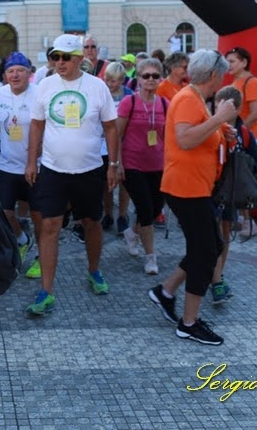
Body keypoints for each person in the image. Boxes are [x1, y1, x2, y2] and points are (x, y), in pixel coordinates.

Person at [148, 49, 237, 346]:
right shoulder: (188, 98)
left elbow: (196, 134)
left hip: (194, 186)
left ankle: (165, 292)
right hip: (185, 188)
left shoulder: (195, 98)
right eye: (221, 74)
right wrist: (220, 119)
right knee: (205, 252)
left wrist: (223, 129)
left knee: (212, 245)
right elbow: (185, 139)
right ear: (214, 75)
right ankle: (189, 322)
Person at [25, 34, 119, 315]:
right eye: (55, 57)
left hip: (90, 169)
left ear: (80, 58)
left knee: (91, 222)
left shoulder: (97, 87)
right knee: (50, 225)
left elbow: (111, 127)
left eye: (66, 57)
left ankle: (94, 270)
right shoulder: (44, 85)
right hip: (53, 169)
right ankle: (46, 290)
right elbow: (36, 126)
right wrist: (32, 162)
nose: (60, 62)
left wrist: (114, 164)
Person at [114, 57, 168, 276]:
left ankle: (132, 233)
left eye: (155, 76)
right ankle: (151, 257)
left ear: (160, 78)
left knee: (155, 210)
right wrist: (116, 164)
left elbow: (170, 137)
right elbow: (116, 135)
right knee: (145, 210)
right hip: (133, 164)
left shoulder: (165, 104)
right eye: (146, 75)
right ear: (137, 78)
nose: (150, 79)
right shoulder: (130, 102)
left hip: (158, 164)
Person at [209, 86, 257, 302]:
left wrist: (244, 173)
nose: (220, 110)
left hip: (231, 192)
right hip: (211, 189)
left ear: (238, 109)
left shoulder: (243, 133)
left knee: (224, 233)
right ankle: (215, 281)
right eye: (217, 106)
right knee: (212, 234)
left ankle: (218, 275)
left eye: (226, 107)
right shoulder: (211, 127)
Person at [0, 52, 39, 265]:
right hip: (7, 164)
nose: (15, 75)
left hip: (36, 166)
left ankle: (41, 258)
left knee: (39, 217)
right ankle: (22, 239)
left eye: (20, 71)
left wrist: (37, 157)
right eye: (10, 71)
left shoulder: (39, 93)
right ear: (5, 74)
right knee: (4, 212)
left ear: (28, 73)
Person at [100, 62, 133, 234]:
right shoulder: (102, 93)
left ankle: (122, 215)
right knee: (107, 182)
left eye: (113, 81)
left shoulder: (128, 95)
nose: (110, 84)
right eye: (107, 80)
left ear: (121, 80)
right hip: (104, 144)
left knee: (123, 181)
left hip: (124, 142)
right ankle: (108, 214)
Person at [225, 47, 257, 147]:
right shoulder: (236, 80)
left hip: (248, 135)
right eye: (227, 61)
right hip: (239, 134)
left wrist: (238, 131)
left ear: (244, 63)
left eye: (232, 61)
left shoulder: (251, 82)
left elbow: (255, 113)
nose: (228, 65)